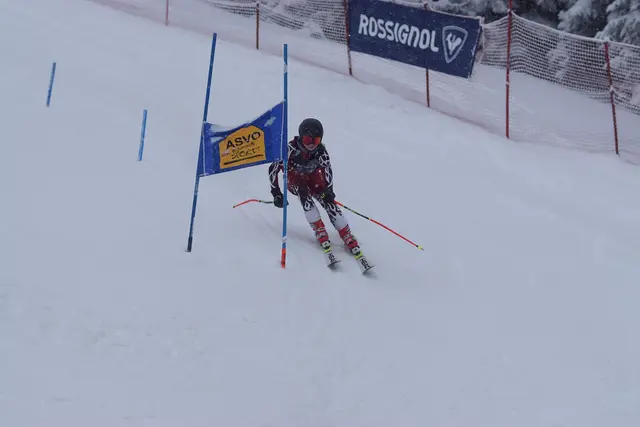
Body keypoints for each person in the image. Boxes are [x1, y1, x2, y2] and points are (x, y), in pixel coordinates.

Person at [268, 118, 361, 256]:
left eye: (316, 140)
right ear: (301, 137)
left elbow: (327, 170)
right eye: (307, 140)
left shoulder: (321, 152)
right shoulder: (289, 150)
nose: (311, 145)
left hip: (314, 181)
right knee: (303, 193)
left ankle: (345, 232)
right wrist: (276, 192)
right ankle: (319, 228)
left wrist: (329, 190)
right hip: (295, 180)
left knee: (328, 202)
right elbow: (273, 169)